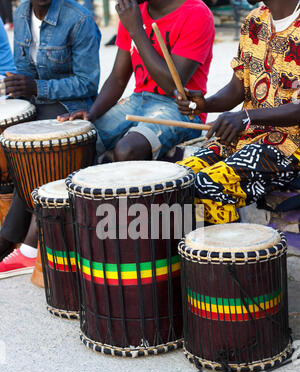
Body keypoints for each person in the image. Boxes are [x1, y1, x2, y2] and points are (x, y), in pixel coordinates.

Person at [176, 0, 300, 225]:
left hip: (291, 147)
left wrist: (246, 117)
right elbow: (238, 86)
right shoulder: (254, 20)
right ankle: (190, 256)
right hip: (248, 137)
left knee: (208, 185)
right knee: (178, 179)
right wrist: (204, 104)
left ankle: (229, 258)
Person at [0, 0, 101, 278]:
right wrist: (19, 86)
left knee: (36, 148)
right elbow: (24, 70)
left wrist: (36, 86)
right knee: (23, 143)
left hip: (71, 107)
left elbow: (88, 82)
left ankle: (25, 247)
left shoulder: (79, 19)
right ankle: (12, 240)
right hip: (39, 102)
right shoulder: (22, 14)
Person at [59, 0, 215, 163]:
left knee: (127, 149)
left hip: (181, 108)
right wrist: (91, 114)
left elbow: (172, 86)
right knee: (81, 141)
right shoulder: (135, 12)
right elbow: (118, 78)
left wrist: (136, 29)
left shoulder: (197, 13)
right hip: (139, 99)